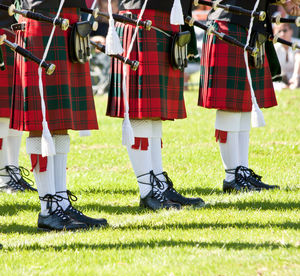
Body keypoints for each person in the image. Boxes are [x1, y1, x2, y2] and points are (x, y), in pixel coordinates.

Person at [10, 0, 107, 230]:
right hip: (42, 19)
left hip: (69, 19)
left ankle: (61, 202)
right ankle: (48, 208)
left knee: (60, 121)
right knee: (40, 121)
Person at [107, 0, 205, 210]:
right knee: (141, 111)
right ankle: (147, 190)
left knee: (153, 111)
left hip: (166, 17)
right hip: (139, 18)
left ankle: (158, 182)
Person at [198, 0, 300, 192]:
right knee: (230, 105)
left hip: (250, 24)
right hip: (228, 23)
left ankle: (241, 171)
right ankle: (231, 177)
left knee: (244, 103)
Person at [0, 0, 36, 193]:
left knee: (13, 113)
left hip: (13, 34)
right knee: (2, 115)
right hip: (1, 35)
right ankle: (3, 177)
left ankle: (12, 171)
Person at [273, 23, 300, 90]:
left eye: (285, 30)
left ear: (291, 31)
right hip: (282, 79)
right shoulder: (274, 48)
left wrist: (296, 76)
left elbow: (298, 58)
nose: (282, 34)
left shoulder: (298, 43)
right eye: (279, 31)